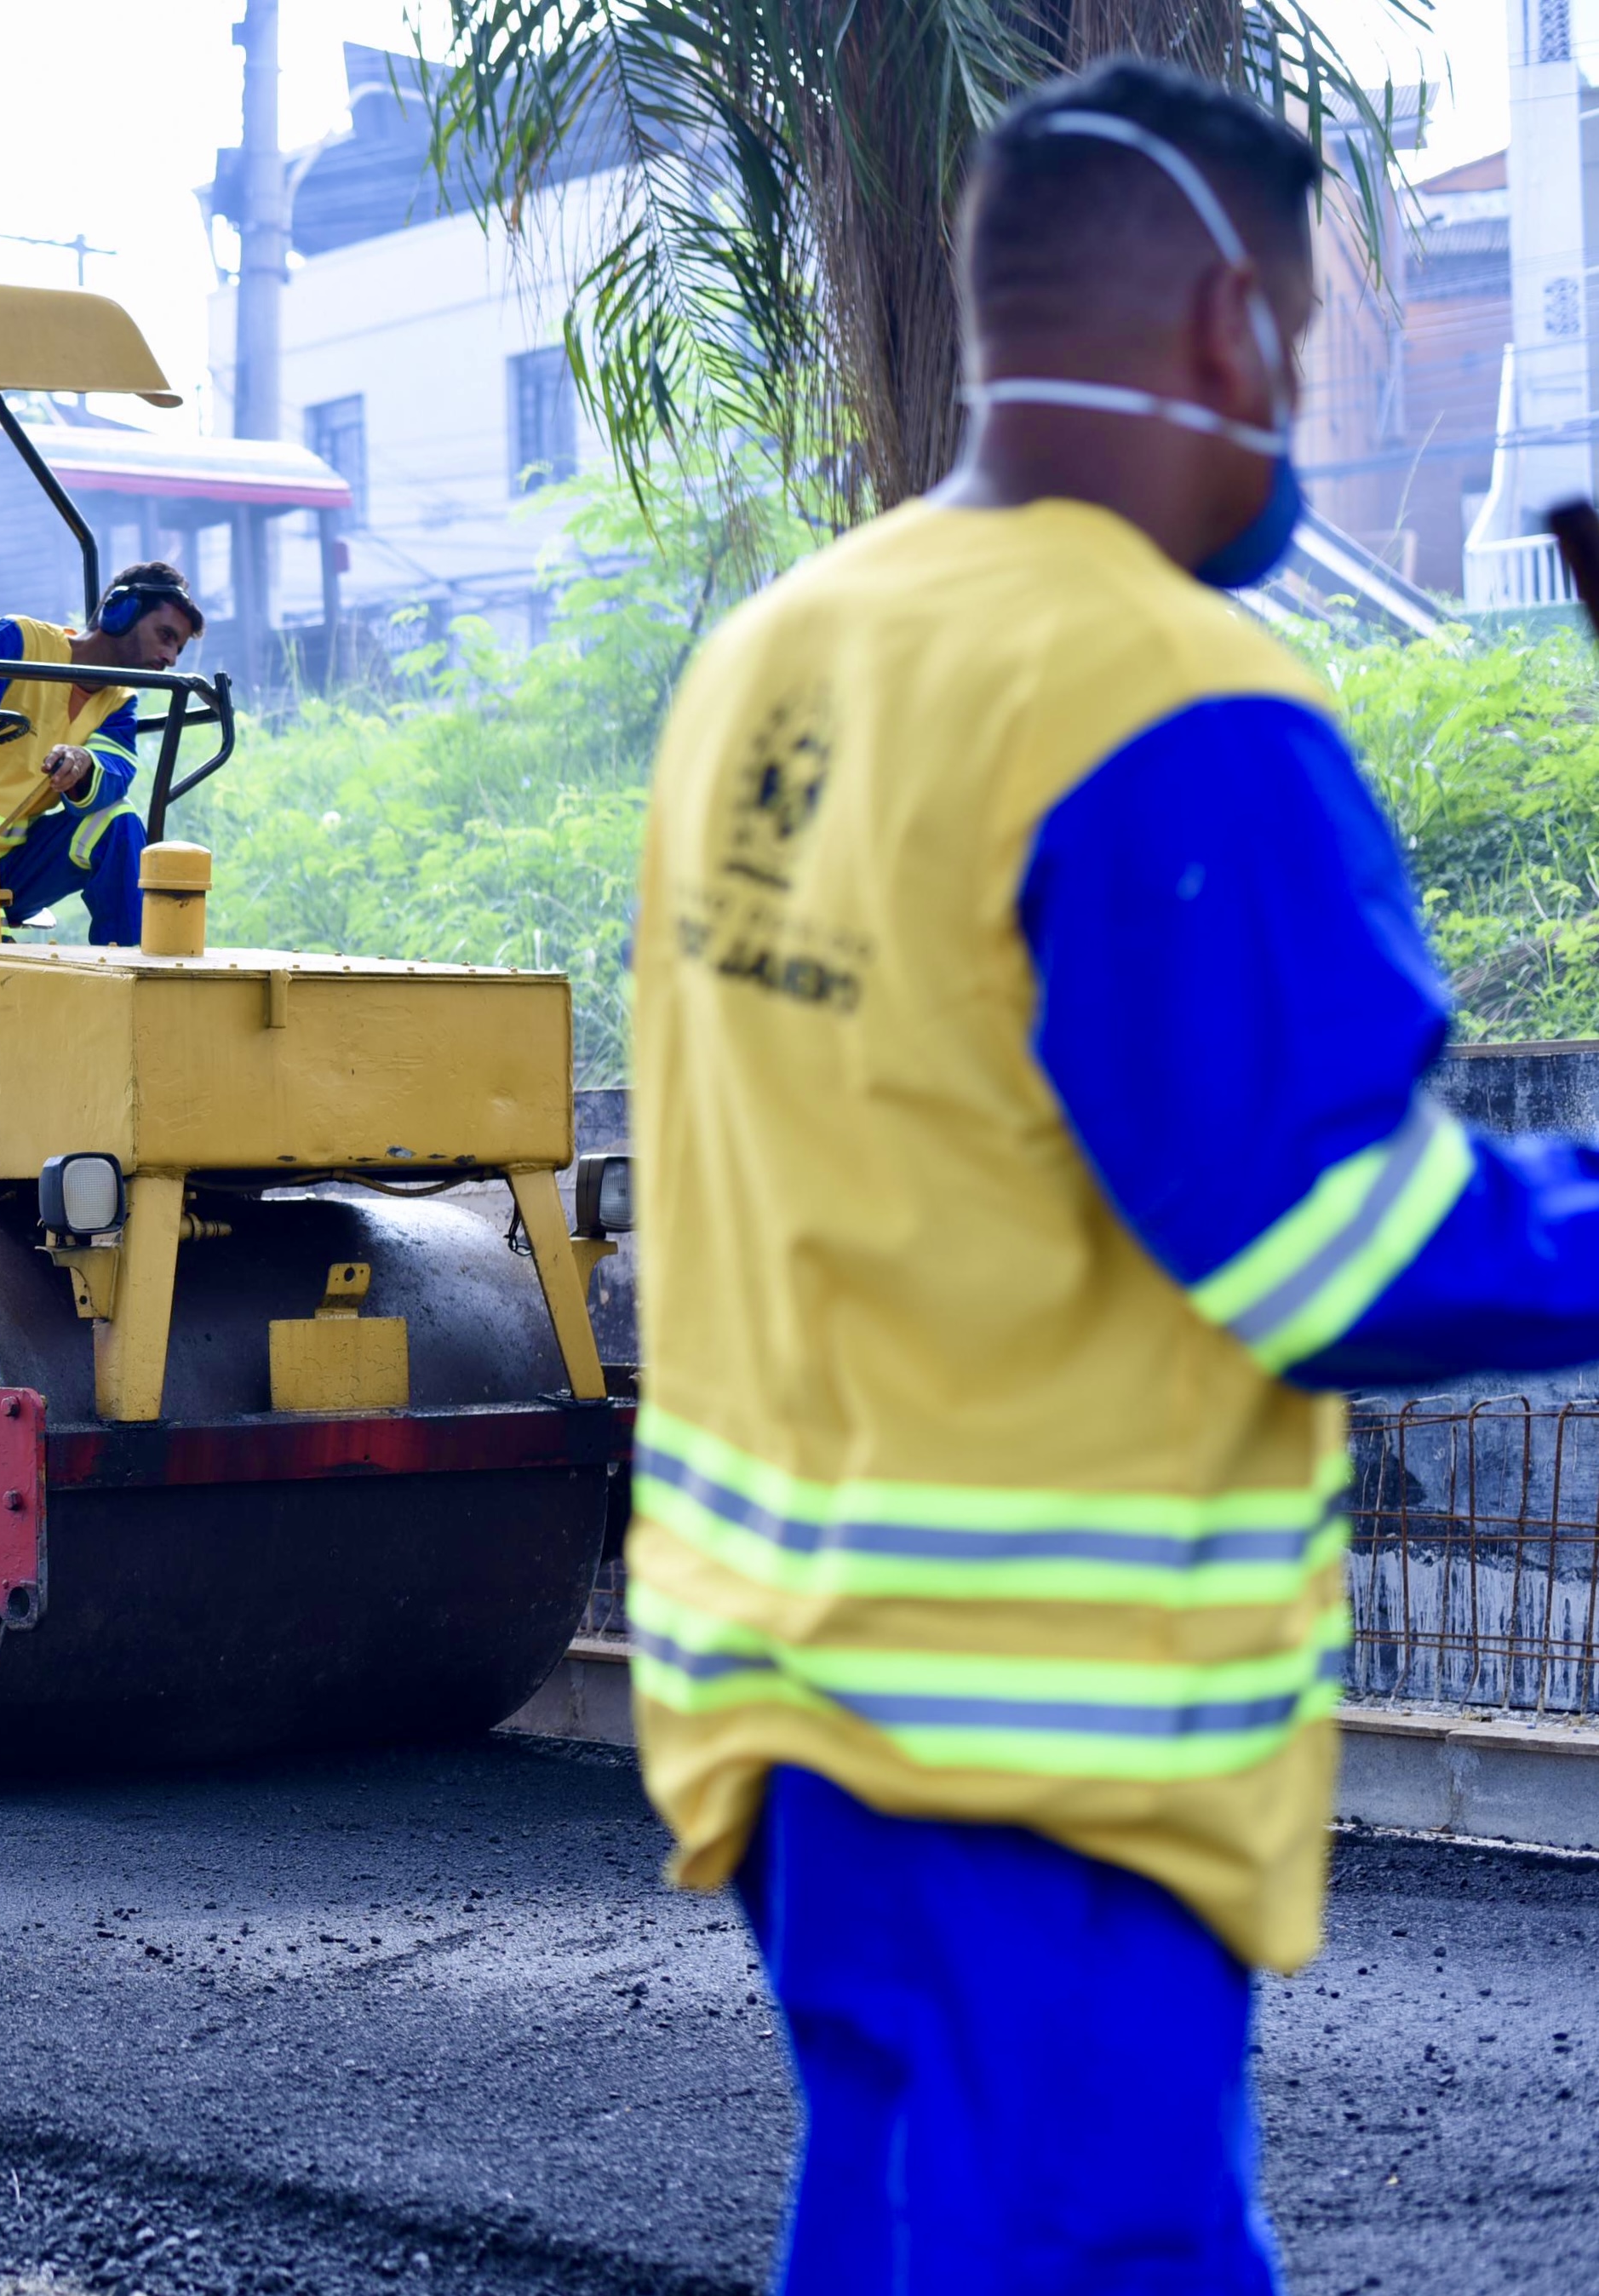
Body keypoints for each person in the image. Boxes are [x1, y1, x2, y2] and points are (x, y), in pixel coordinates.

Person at [628, 58, 1599, 2293]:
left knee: (891, 2225)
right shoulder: (1164, 698)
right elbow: (1327, 1244)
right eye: (1295, 329)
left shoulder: (779, 652)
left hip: (788, 1698)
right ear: (1221, 336)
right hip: (1035, 1738)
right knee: (1089, 2252)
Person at [0, 562, 203, 944]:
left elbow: (115, 769)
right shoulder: (22, 641)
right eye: (165, 635)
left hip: (10, 870)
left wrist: (84, 765)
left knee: (117, 820)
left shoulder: (119, 704)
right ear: (120, 612)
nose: (171, 658)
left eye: (177, 647)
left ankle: (130, 969)